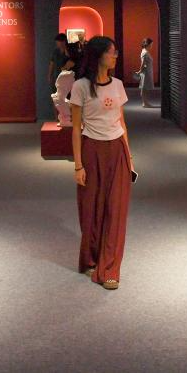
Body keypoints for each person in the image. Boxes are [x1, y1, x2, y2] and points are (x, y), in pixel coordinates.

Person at [70, 36, 133, 290]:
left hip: (117, 150)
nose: (116, 56)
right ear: (98, 56)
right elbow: (76, 129)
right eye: (112, 53)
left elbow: (121, 122)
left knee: (116, 211)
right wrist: (78, 165)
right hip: (92, 151)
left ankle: (109, 269)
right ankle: (91, 257)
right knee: (91, 210)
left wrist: (129, 158)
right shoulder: (81, 87)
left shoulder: (118, 85)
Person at [51, 43, 82, 126]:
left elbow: (64, 69)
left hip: (71, 83)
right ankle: (71, 119)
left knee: (68, 100)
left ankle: (71, 119)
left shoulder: (71, 61)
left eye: (66, 49)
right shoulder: (75, 60)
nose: (65, 51)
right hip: (72, 83)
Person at [134, 37, 155, 107]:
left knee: (145, 88)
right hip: (146, 72)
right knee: (144, 88)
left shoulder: (145, 51)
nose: (151, 46)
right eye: (151, 44)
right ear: (147, 44)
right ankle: (145, 103)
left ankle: (145, 102)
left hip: (147, 71)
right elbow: (143, 63)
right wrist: (140, 71)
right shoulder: (145, 52)